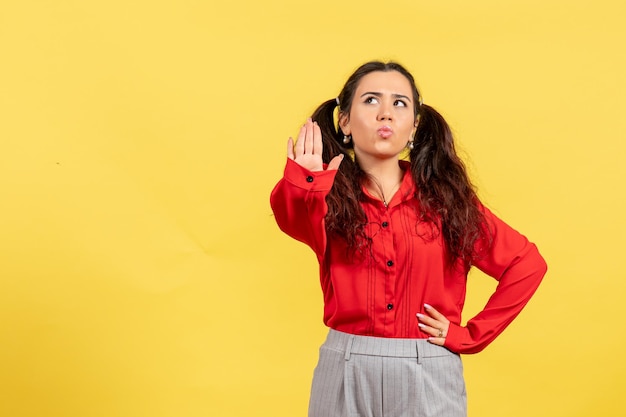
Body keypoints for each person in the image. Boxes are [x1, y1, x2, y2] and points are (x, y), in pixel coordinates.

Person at [270, 61, 547, 417]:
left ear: (414, 125)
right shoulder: (327, 199)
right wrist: (307, 180)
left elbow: (526, 264)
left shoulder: (448, 201)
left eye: (400, 103)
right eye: (371, 100)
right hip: (346, 367)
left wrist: (468, 336)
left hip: (428, 369)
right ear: (345, 122)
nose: (386, 113)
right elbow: (290, 217)